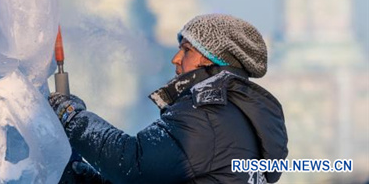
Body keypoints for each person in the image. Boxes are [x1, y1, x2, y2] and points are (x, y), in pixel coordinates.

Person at [50, 14, 288, 184]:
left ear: (211, 58)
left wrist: (72, 116)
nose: (176, 58)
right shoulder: (230, 114)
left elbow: (134, 165)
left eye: (186, 50)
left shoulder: (210, 113)